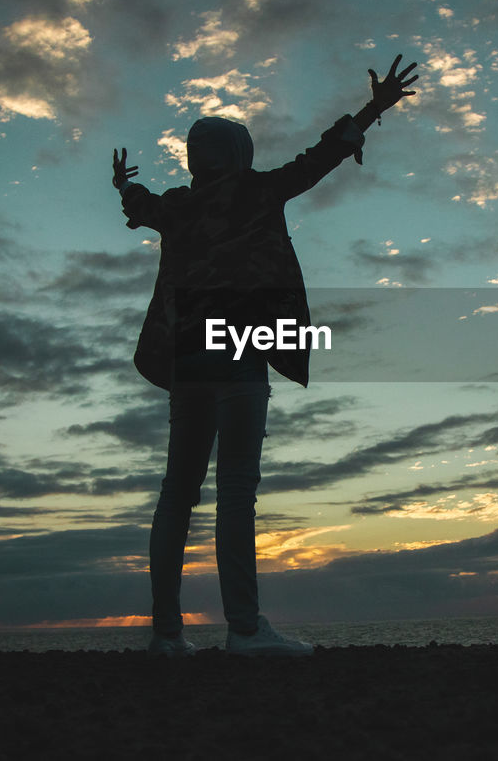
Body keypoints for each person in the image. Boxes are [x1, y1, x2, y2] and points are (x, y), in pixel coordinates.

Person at [112, 55, 419, 657]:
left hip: (186, 362)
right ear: (238, 152)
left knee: (178, 492)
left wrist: (122, 183)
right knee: (236, 490)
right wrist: (376, 107)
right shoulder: (257, 190)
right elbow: (321, 157)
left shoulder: (176, 206)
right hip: (237, 355)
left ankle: (167, 635)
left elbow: (139, 202)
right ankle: (245, 629)